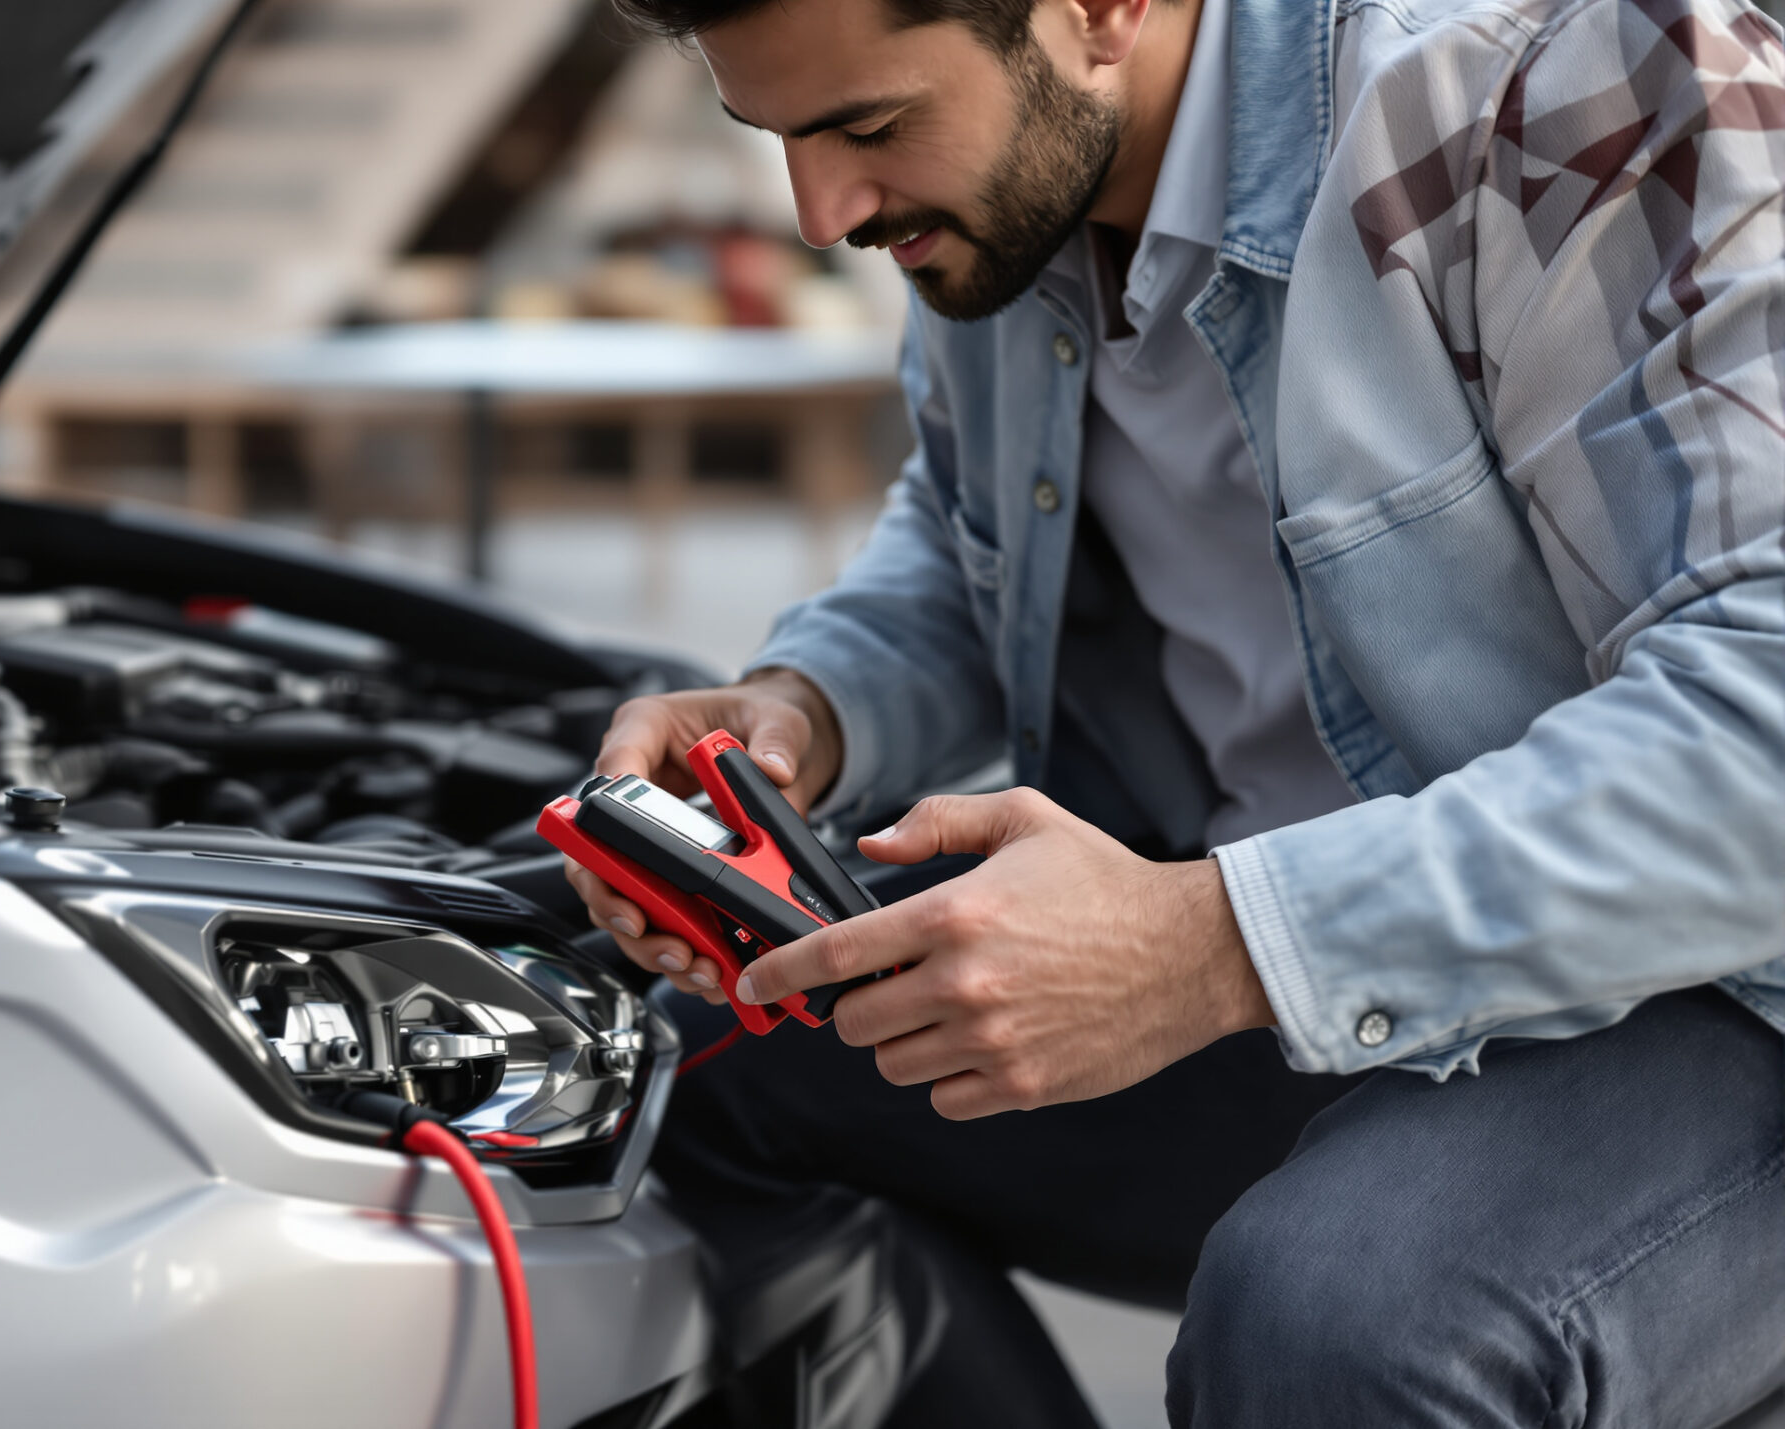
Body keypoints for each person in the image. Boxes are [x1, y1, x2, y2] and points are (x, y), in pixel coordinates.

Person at [567, 0, 1785, 1420]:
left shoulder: (1576, 83)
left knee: (1340, 1322)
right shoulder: (1013, 187)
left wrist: (1208, 947)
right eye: (779, 138)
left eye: (869, 128)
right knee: (666, 1060)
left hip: (1715, 980)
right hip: (1282, 948)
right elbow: (977, 539)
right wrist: (803, 706)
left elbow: (1763, 736)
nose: (823, 208)